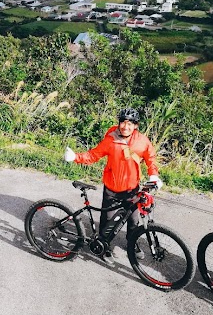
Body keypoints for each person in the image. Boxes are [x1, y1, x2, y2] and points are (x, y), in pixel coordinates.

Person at [64, 107, 161, 258]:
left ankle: (132, 242)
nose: (125, 126)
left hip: (132, 189)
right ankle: (104, 246)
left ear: (136, 126)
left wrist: (154, 175)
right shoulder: (111, 139)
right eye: (123, 122)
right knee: (107, 220)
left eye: (130, 124)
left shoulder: (142, 141)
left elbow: (151, 159)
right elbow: (93, 155)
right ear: (119, 123)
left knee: (133, 221)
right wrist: (75, 157)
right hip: (112, 189)